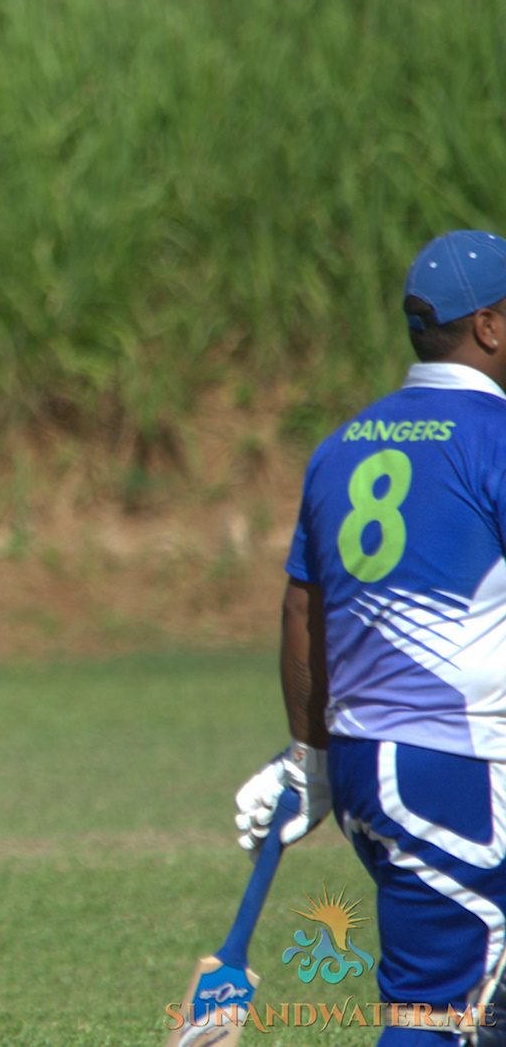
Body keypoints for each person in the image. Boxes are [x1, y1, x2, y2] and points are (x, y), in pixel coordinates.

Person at [233, 230, 506, 1046]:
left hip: (368, 764)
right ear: (489, 326)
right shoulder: (494, 438)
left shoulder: (341, 446)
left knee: (474, 998)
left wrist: (310, 756)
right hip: (458, 767)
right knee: (434, 1013)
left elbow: (301, 611)